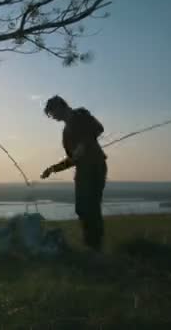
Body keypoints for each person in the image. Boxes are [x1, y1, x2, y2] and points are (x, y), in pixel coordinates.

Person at [40, 95, 107, 252]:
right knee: (81, 208)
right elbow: (72, 159)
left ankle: (95, 247)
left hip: (96, 166)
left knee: (92, 207)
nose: (53, 117)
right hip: (83, 170)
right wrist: (52, 169)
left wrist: (84, 144)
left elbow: (99, 128)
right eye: (51, 115)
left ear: (61, 107)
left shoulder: (81, 114)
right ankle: (90, 245)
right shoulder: (65, 134)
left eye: (52, 113)